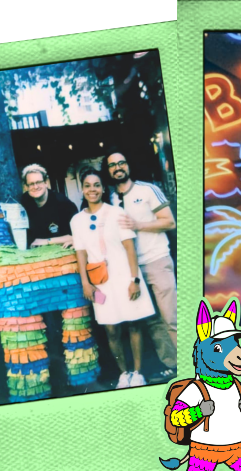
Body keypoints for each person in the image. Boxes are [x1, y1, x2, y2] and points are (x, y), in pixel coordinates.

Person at [72, 171, 156, 389]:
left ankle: (137, 373)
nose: (92, 190)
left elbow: (130, 248)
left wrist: (134, 279)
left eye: (97, 185)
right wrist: (85, 282)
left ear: (103, 188)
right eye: (88, 186)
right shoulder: (77, 220)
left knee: (134, 323)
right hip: (100, 281)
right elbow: (80, 254)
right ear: (83, 189)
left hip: (124, 276)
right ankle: (123, 374)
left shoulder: (117, 213)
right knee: (111, 329)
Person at [106, 151, 178, 381]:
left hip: (156, 260)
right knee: (152, 320)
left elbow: (169, 222)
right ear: (108, 171)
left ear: (128, 166)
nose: (118, 167)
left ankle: (193, 364)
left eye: (121, 163)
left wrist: (138, 225)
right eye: (112, 165)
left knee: (171, 317)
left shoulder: (147, 190)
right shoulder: (110, 199)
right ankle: (174, 365)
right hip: (131, 269)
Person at [18, 164, 80, 395]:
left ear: (46, 182)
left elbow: (78, 235)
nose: (34, 186)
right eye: (30, 183)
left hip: (65, 274)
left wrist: (47, 242)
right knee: (44, 321)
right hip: (36, 275)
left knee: (72, 322)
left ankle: (76, 372)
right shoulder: (22, 203)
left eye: (38, 182)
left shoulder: (64, 204)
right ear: (26, 186)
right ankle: (50, 372)